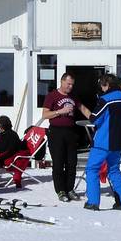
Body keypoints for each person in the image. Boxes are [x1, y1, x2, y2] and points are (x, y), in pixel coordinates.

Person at [79, 74, 121, 211]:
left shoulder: (106, 99)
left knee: (92, 169)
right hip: (119, 141)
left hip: (103, 141)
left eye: (102, 86)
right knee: (114, 170)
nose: (102, 89)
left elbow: (95, 118)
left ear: (107, 85)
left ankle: (93, 202)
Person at [41, 72, 81, 202]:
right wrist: (60, 111)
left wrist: (95, 119)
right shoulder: (52, 95)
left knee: (72, 163)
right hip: (56, 132)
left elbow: (83, 108)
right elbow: (45, 115)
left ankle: (70, 189)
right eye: (68, 84)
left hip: (71, 131)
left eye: (72, 85)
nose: (70, 87)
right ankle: (60, 190)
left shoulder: (73, 96)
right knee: (58, 163)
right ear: (62, 81)